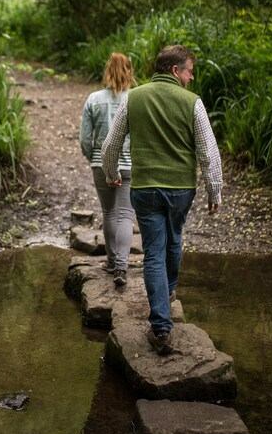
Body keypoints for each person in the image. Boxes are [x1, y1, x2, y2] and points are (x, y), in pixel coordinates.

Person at [101, 45, 222, 355]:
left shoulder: (134, 98)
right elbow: (208, 152)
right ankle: (166, 300)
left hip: (145, 188)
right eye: (189, 71)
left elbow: (111, 143)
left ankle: (161, 327)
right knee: (174, 240)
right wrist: (214, 190)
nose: (191, 78)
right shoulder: (192, 103)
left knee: (154, 250)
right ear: (174, 71)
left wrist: (110, 172)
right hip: (181, 188)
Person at [80, 52, 136, 288]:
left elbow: (85, 138)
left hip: (101, 163)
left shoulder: (94, 99)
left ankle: (112, 262)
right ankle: (122, 266)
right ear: (129, 71)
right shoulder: (136, 98)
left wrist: (91, 156)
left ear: (107, 71)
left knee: (109, 212)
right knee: (125, 214)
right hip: (130, 164)